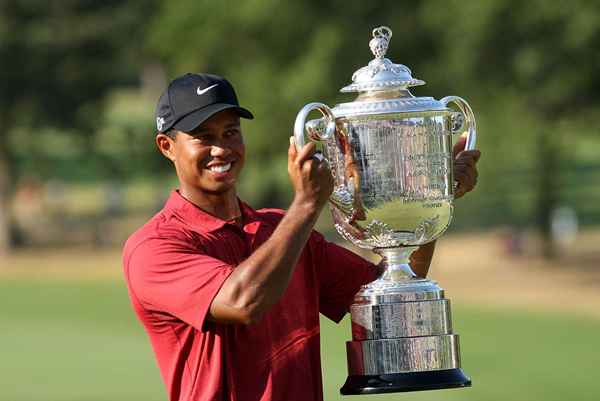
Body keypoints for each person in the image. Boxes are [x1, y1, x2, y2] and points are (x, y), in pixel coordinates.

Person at [122, 73, 481, 401]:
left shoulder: (282, 230)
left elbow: (391, 297)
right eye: (203, 137)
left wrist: (427, 200)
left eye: (230, 132)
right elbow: (244, 302)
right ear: (166, 146)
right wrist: (307, 204)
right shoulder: (154, 247)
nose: (222, 148)